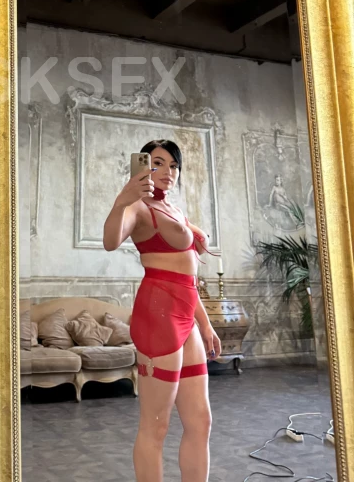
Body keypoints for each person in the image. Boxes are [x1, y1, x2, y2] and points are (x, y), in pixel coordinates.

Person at [103, 139, 220, 482]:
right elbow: (110, 241)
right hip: (158, 315)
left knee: (200, 421)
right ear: (144, 167)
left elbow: (188, 278)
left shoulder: (175, 210)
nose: (168, 171)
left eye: (173, 165)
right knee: (156, 425)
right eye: (157, 163)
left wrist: (206, 325)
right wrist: (122, 199)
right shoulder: (138, 207)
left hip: (186, 316)